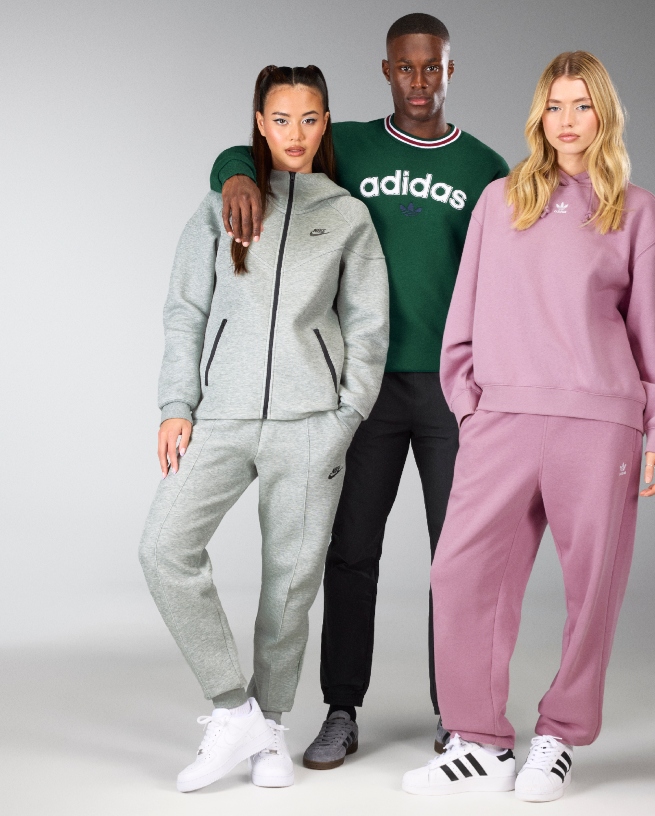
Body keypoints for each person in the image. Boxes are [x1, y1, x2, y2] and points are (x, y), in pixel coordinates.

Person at [210, 14, 509, 769]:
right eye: (406, 67)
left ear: (450, 70)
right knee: (350, 552)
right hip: (359, 384)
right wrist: (234, 176)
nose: (419, 81)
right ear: (386, 71)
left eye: (432, 67)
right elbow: (261, 149)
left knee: (458, 557)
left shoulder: (485, 167)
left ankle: (459, 714)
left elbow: (506, 279)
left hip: (451, 391)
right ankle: (341, 708)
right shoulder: (349, 145)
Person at [402, 51, 655, 801]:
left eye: (582, 106)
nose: (567, 121)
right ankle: (479, 742)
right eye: (555, 106)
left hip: (599, 424)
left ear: (604, 116)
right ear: (539, 115)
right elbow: (463, 314)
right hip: (502, 418)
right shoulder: (500, 202)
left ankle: (559, 735)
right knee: (459, 572)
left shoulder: (637, 212)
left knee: (593, 588)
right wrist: (470, 402)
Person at [138, 64, 388, 793]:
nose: (295, 135)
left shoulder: (346, 215)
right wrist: (176, 405)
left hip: (310, 425)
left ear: (325, 122)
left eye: (309, 119)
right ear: (259, 122)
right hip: (222, 416)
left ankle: (270, 727)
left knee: (290, 584)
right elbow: (186, 309)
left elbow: (368, 325)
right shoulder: (222, 202)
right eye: (281, 119)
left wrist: (346, 414)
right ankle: (233, 707)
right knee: (164, 548)